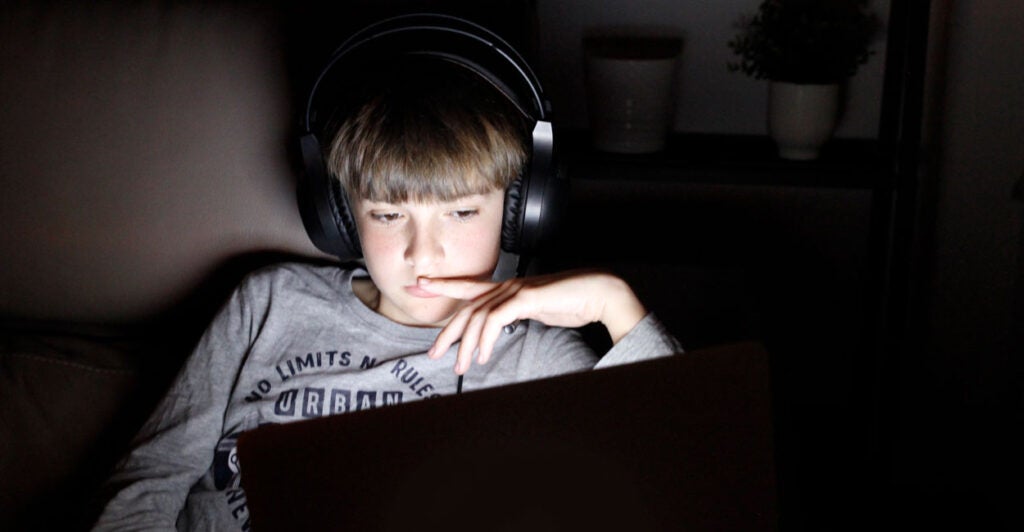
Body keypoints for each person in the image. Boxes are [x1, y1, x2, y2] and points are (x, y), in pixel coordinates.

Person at [92, 55, 683, 531]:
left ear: (519, 212)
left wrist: (614, 305)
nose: (422, 254)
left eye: (461, 211)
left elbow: (680, 472)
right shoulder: (267, 303)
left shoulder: (536, 356)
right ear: (342, 217)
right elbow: (152, 475)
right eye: (387, 213)